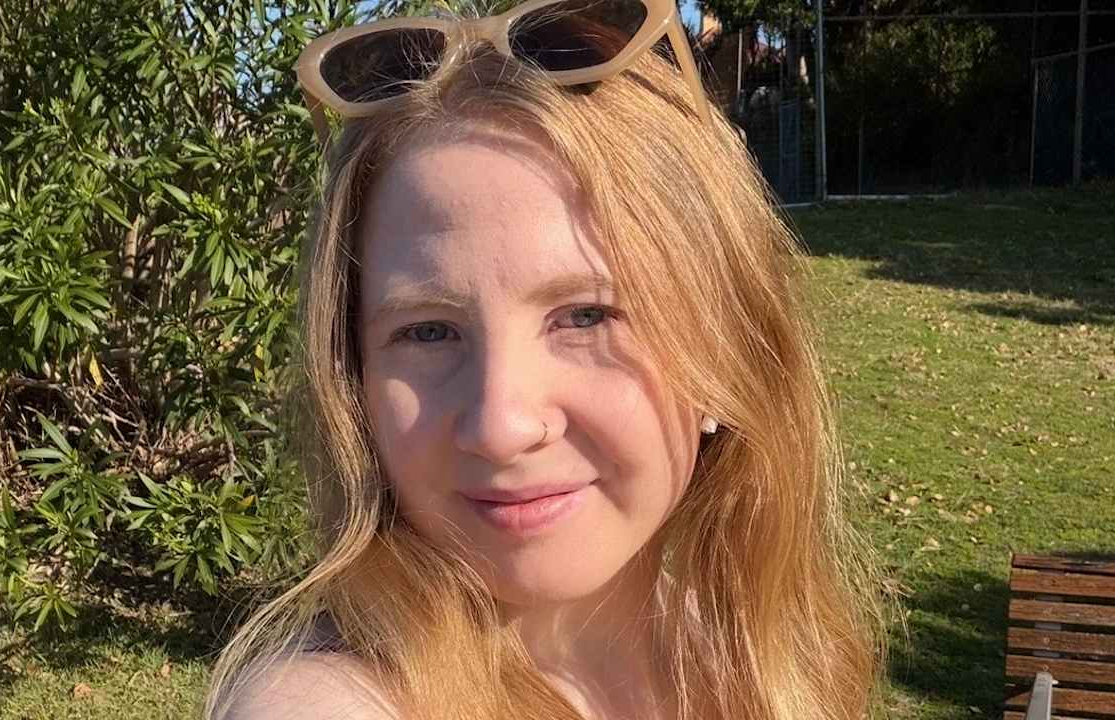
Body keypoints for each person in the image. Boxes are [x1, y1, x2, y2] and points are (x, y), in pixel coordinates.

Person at [205, 1, 886, 718]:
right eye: (428, 332)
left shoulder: (751, 654)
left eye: (586, 316)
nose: (500, 426)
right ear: (355, 380)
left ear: (725, 347)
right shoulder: (328, 701)